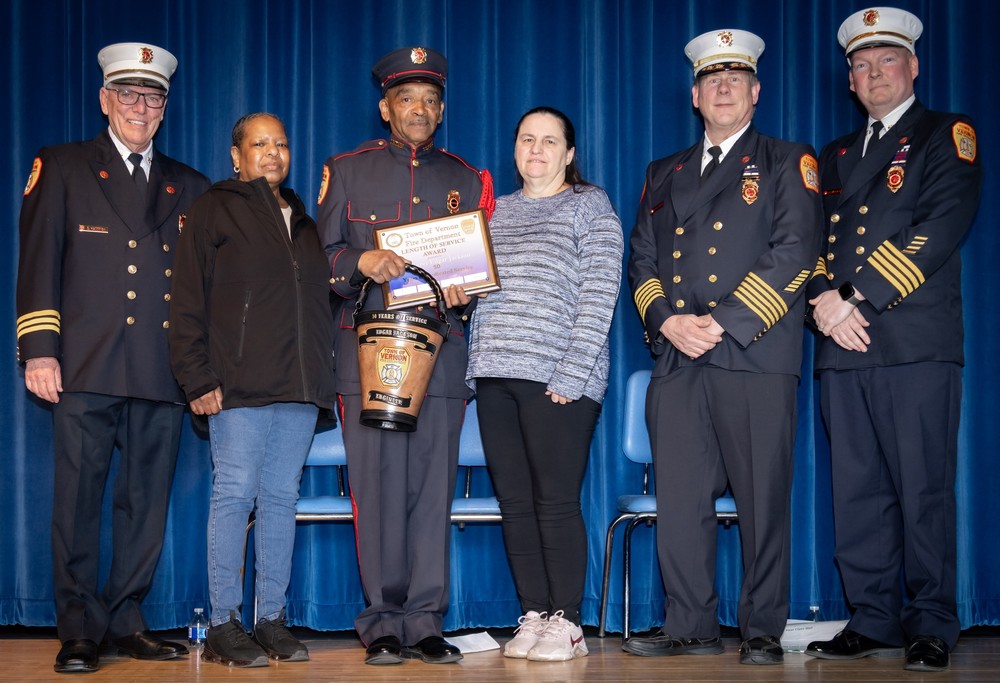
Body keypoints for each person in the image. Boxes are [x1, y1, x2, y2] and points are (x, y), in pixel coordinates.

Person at [624, 29, 822, 665]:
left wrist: (722, 320)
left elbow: (795, 252)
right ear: (695, 95)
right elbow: (643, 258)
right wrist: (665, 318)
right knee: (681, 500)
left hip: (754, 352)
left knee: (764, 500)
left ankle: (762, 627)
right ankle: (690, 624)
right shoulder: (664, 171)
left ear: (756, 91)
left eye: (736, 78)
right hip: (679, 357)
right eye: (713, 80)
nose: (724, 88)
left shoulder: (788, 160)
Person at [14, 43, 210, 674]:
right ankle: (78, 628)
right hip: (86, 365)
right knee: (76, 502)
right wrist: (39, 349)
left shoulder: (192, 184)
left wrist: (199, 368)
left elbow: (202, 291)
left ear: (165, 108)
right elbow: (38, 263)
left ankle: (126, 618)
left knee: (145, 504)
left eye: (152, 97)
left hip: (160, 367)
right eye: (128, 94)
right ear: (104, 100)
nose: (140, 107)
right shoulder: (64, 166)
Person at [804, 8, 982, 673]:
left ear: (912, 67)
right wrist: (823, 304)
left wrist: (855, 296)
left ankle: (931, 620)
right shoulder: (835, 155)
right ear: (849, 79)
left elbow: (941, 226)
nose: (872, 74)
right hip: (838, 344)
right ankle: (873, 615)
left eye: (885, 61)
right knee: (857, 490)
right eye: (861, 64)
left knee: (922, 487)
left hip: (912, 341)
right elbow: (816, 241)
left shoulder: (945, 133)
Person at [316, 46, 494, 666]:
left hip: (440, 358)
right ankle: (382, 621)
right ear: (385, 107)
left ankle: (425, 620)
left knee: (430, 491)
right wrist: (357, 262)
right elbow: (318, 259)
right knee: (378, 489)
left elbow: (479, 274)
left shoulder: (466, 179)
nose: (419, 109)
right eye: (406, 99)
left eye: (430, 100)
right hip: (367, 356)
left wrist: (467, 290)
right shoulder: (346, 170)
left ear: (441, 110)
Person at [168, 113, 337, 667]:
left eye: (281, 143)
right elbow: (187, 300)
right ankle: (223, 623)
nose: (272, 152)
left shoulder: (306, 222)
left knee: (281, 499)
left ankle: (270, 619)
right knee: (234, 494)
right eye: (259, 144)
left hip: (298, 384)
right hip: (236, 385)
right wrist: (197, 376)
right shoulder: (214, 208)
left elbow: (316, 303)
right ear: (236, 157)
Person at [466, 106, 623, 662]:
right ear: (514, 150)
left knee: (554, 500)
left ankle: (569, 622)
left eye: (549, 141)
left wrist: (573, 372)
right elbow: (475, 294)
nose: (537, 149)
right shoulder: (493, 213)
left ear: (569, 154)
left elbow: (600, 292)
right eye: (527, 139)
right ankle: (534, 614)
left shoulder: (590, 205)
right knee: (514, 502)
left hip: (560, 377)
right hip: (494, 375)